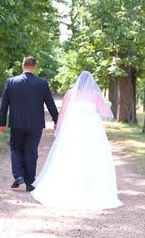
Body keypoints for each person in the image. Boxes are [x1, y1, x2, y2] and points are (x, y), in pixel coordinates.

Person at [31, 71, 123, 209]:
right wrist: (106, 104)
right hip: (92, 130)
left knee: (70, 155)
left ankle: (67, 187)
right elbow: (105, 113)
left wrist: (58, 127)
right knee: (93, 157)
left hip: (73, 129)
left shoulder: (70, 93)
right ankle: (90, 188)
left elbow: (62, 112)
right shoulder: (96, 95)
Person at [0, 56, 59, 192]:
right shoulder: (42, 83)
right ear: (35, 66)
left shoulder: (11, 81)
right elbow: (50, 104)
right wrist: (57, 120)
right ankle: (30, 183)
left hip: (16, 123)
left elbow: (4, 105)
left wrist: (1, 123)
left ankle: (19, 175)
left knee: (15, 148)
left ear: (22, 65)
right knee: (31, 151)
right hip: (35, 124)